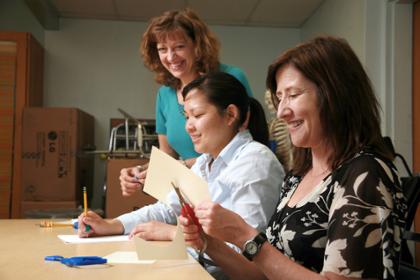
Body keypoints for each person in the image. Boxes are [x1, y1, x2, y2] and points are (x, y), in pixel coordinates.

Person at [181, 36, 407, 280]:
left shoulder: (366, 175)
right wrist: (210, 243)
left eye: (293, 95)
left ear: (335, 94)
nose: (281, 112)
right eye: (280, 98)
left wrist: (246, 236)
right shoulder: (298, 175)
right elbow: (264, 275)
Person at [78, 72, 284, 278]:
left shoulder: (255, 161)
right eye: (187, 117)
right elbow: (168, 209)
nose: (188, 126)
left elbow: (248, 252)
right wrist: (112, 225)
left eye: (198, 115)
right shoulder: (205, 161)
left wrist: (173, 233)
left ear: (230, 115)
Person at [120, 8, 253, 196]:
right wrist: (140, 171)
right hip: (191, 193)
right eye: (162, 49)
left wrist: (183, 165)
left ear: (197, 46)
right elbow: (168, 155)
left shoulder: (231, 78)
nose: (171, 57)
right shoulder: (164, 95)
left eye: (179, 47)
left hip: (233, 190)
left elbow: (247, 143)